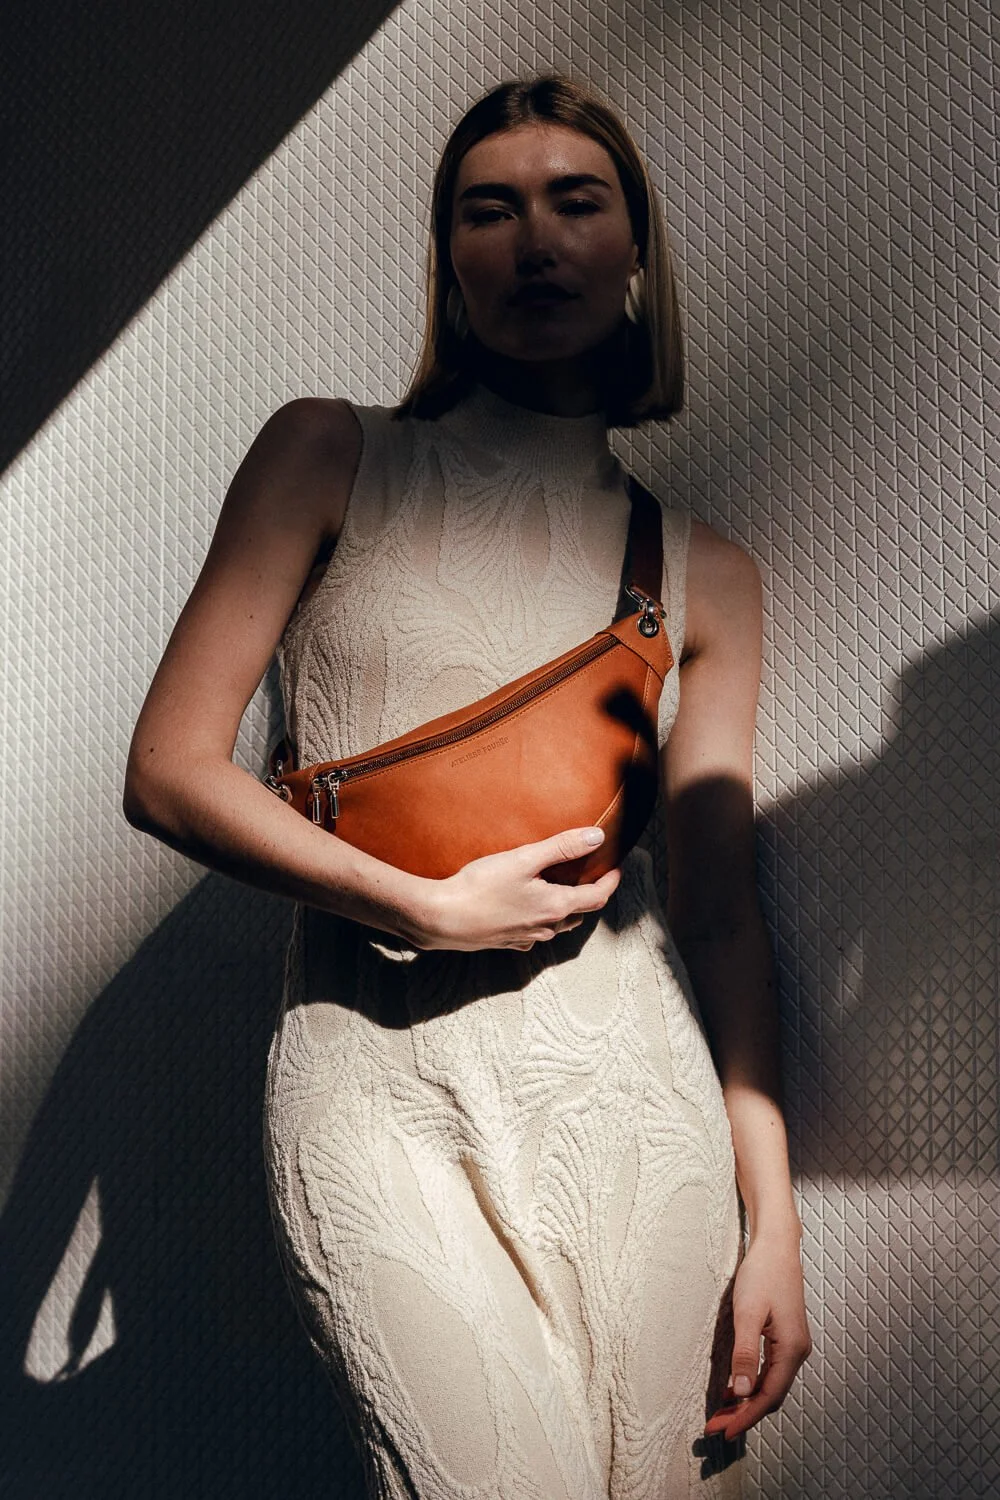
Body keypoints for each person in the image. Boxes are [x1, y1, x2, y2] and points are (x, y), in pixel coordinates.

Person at [124, 72, 811, 1500]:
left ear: (636, 253)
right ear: (448, 261)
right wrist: (416, 905)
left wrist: (777, 1221)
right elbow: (169, 771)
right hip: (373, 1088)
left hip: (637, 1099)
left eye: (578, 202)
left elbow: (723, 916)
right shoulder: (329, 454)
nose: (536, 241)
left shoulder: (706, 570)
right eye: (489, 211)